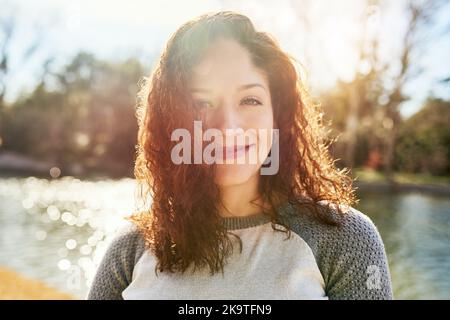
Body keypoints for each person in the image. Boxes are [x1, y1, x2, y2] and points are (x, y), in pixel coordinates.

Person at [87, 11, 393, 300]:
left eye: (250, 99)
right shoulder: (132, 246)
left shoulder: (343, 238)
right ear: (172, 120)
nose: (227, 126)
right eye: (203, 103)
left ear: (279, 116)